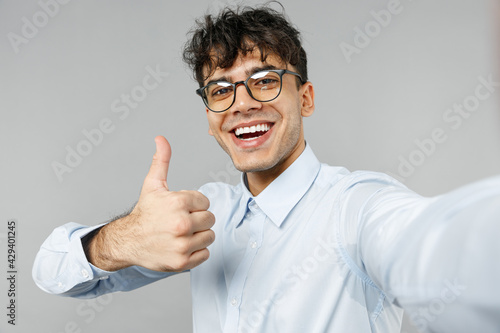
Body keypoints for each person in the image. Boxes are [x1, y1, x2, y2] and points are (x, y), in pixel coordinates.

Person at [33, 3, 500, 333]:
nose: (242, 104)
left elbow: (434, 247)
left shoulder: (358, 206)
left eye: (265, 80)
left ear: (307, 98)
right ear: (210, 118)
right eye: (221, 90)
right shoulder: (201, 217)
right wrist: (126, 238)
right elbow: (49, 272)